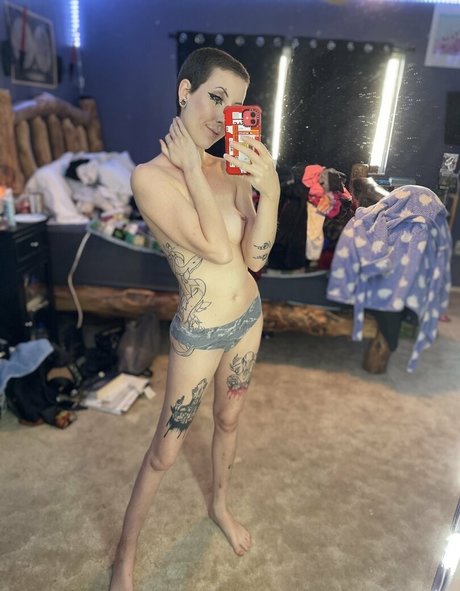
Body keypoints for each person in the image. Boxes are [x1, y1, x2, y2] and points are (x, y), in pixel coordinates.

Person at [109, 47, 280, 591]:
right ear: (185, 91)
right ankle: (124, 557)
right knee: (165, 451)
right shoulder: (149, 178)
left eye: (236, 105)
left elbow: (254, 258)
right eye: (216, 97)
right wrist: (190, 167)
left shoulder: (231, 168)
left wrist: (271, 190)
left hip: (248, 316)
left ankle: (219, 506)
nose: (223, 115)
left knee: (229, 421)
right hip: (201, 332)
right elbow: (214, 246)